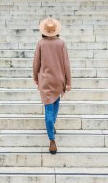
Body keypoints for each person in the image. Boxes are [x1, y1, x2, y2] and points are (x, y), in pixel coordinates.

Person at [33, 17, 72, 154]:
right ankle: (52, 126)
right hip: (59, 81)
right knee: (55, 105)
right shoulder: (61, 43)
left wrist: (35, 77)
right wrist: (68, 82)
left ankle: (52, 140)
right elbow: (66, 64)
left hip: (45, 81)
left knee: (48, 110)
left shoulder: (40, 44)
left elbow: (36, 63)